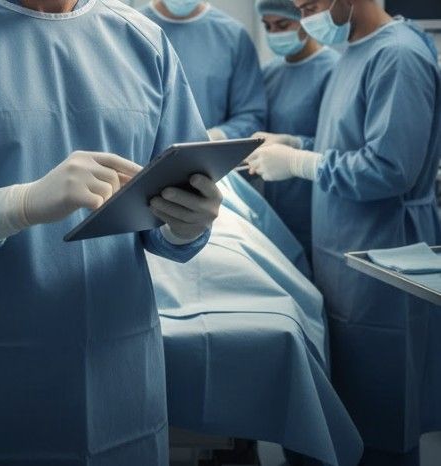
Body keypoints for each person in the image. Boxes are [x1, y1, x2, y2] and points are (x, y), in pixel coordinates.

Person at [0, 0, 224, 463]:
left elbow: (171, 196)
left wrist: (186, 225)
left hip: (117, 374)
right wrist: (12, 206)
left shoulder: (143, 41)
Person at [247, 0, 441, 464]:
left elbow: (390, 168)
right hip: (347, 259)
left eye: (311, 3)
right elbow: (348, 146)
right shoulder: (354, 50)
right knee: (352, 411)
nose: (303, 11)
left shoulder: (397, 56)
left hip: (386, 260)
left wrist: (299, 162)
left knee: (384, 421)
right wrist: (298, 144)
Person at [255, 0, 339, 263]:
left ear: (305, 17)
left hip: (318, 200)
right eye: (267, 26)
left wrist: (295, 146)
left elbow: (342, 145)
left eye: (283, 24)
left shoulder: (334, 70)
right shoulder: (268, 73)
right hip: (275, 202)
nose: (274, 33)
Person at [140, 0, 267, 141]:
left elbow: (251, 117)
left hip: (209, 160)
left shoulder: (233, 35)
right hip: (138, 159)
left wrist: (211, 138)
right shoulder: (133, 28)